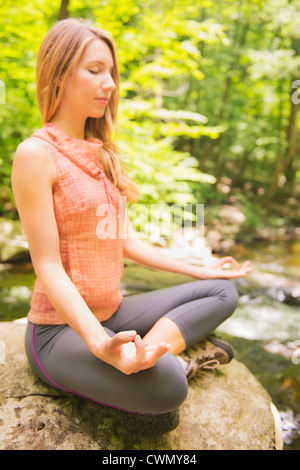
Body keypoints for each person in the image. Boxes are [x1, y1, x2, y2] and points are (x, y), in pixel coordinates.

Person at [11, 18, 251, 419]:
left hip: (114, 312)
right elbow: (48, 266)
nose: (110, 84)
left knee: (222, 291)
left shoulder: (101, 152)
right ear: (58, 73)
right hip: (59, 331)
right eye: (94, 70)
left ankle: (150, 352)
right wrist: (97, 343)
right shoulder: (35, 155)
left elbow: (126, 242)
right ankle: (166, 364)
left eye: (111, 73)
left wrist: (200, 267)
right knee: (168, 394)